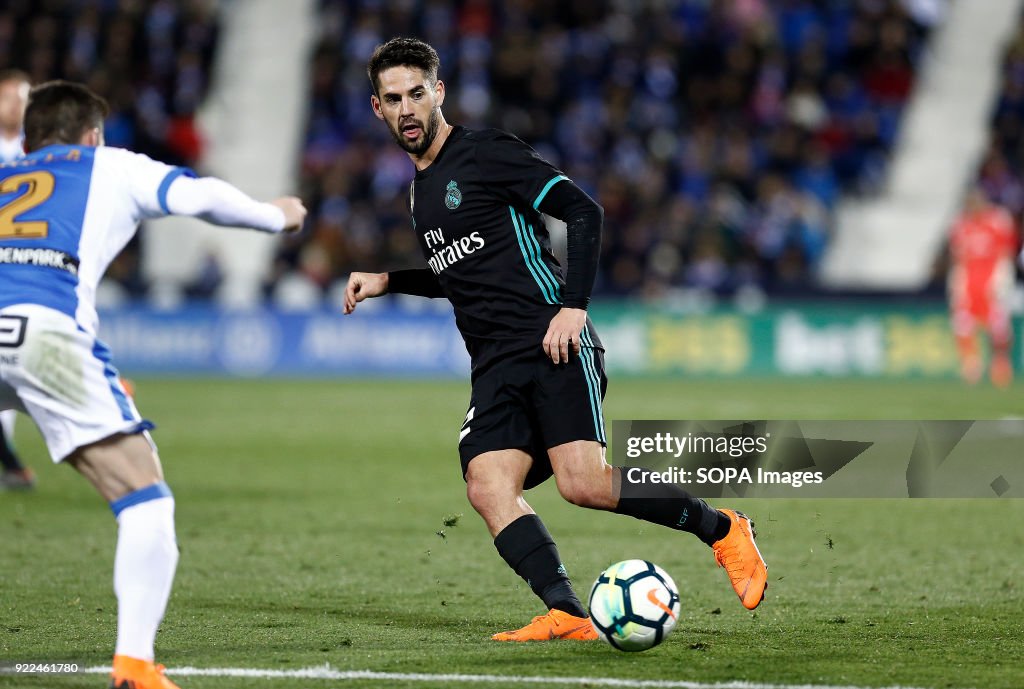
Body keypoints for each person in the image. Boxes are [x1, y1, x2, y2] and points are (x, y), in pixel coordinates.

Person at [344, 38, 768, 642]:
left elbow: (584, 211)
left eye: (417, 93)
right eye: (393, 99)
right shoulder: (419, 190)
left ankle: (723, 529)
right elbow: (460, 271)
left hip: (552, 341)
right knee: (487, 486)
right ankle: (568, 613)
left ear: (439, 92)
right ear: (376, 108)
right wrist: (389, 280)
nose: (407, 108)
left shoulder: (486, 152)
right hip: (493, 365)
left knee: (583, 485)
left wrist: (573, 308)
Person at [0, 81, 306, 688]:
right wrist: (275, 215)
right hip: (46, 334)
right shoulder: (108, 164)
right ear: (91, 135)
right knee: (145, 498)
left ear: (29, 139)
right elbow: (197, 194)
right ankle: (135, 667)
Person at [0, 69, 35, 490]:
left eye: (22, 98)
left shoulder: (38, 150)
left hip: (25, 269)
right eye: (8, 95)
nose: (14, 104)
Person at [949, 186, 1018, 387]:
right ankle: (971, 364)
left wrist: (1002, 277)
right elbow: (958, 259)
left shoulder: (998, 221)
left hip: (991, 282)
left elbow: (1006, 252)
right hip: (969, 283)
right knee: (963, 324)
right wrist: (957, 281)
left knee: (998, 326)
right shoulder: (961, 225)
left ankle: (1000, 364)